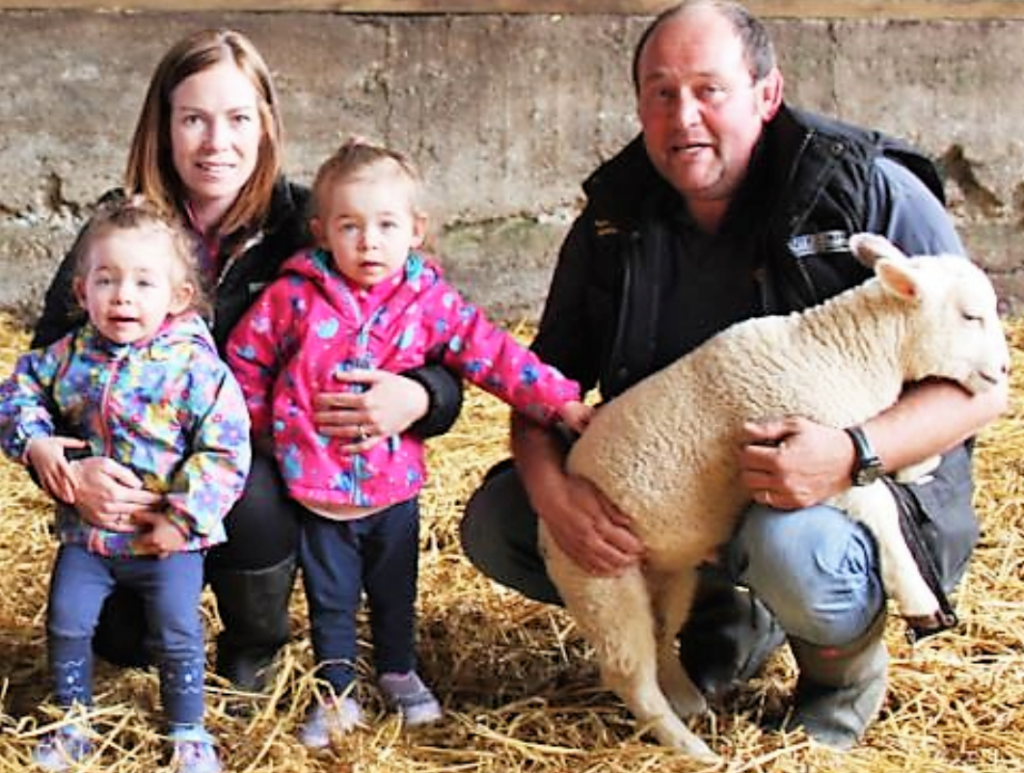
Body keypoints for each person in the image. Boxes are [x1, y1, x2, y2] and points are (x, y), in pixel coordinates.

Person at [459, 0, 1008, 751]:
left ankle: (840, 676)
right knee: (502, 520)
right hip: (684, 493)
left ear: (766, 94)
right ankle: (726, 617)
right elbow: (538, 378)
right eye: (661, 92)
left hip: (844, 490)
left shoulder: (866, 188)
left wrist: (853, 450)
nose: (684, 115)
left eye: (708, 89)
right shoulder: (614, 219)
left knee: (794, 543)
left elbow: (985, 387)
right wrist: (556, 496)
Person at [29, 28, 463, 692]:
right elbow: (46, 363)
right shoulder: (119, 228)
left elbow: (443, 341)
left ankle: (254, 642)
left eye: (237, 119)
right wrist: (63, 462)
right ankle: (149, 621)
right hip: (135, 474)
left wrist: (424, 396)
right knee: (127, 646)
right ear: (163, 127)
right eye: (193, 119)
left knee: (254, 493)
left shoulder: (307, 223)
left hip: (257, 463)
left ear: (264, 126)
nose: (215, 141)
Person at [225, 139, 592, 747]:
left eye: (386, 225)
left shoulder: (428, 301)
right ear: (321, 232)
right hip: (315, 487)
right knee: (331, 599)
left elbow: (493, 354)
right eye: (351, 226)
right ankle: (336, 690)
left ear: (415, 230)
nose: (369, 242)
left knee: (396, 587)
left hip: (394, 487)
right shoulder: (292, 298)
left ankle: (399, 670)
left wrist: (559, 401)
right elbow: (244, 359)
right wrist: (269, 431)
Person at [0, 197, 251, 773]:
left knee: (178, 631)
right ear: (82, 290)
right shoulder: (69, 357)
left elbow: (226, 449)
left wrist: (183, 518)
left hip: (164, 540)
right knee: (66, 619)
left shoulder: (196, 371)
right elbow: (15, 392)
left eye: (143, 282)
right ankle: (72, 721)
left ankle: (188, 730)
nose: (123, 297)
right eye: (107, 280)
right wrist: (36, 443)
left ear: (177, 297)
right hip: (88, 539)